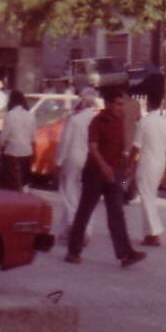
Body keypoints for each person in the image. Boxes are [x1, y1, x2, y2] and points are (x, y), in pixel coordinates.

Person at [66, 88, 145, 268]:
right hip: (95, 173)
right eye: (118, 104)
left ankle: (126, 254)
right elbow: (93, 147)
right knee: (85, 211)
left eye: (123, 104)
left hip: (113, 174)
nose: (121, 108)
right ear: (108, 104)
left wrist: (124, 167)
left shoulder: (120, 122)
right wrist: (104, 167)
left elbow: (121, 148)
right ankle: (73, 251)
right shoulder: (97, 121)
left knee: (117, 213)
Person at [56, 88, 99, 243]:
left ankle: (74, 228)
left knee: (70, 194)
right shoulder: (97, 119)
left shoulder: (75, 120)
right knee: (87, 196)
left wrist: (59, 161)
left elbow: (65, 142)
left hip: (74, 159)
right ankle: (85, 230)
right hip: (92, 160)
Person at [132, 84, 166, 246]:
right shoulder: (164, 123)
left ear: (148, 103)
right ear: (161, 104)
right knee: (150, 196)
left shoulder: (144, 122)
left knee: (146, 197)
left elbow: (136, 147)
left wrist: (130, 166)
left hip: (147, 163)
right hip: (160, 164)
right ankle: (149, 234)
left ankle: (154, 233)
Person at [0, 89, 34, 191]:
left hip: (12, 152)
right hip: (26, 152)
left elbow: (4, 136)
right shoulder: (30, 115)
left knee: (11, 183)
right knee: (24, 181)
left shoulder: (10, 115)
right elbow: (33, 136)